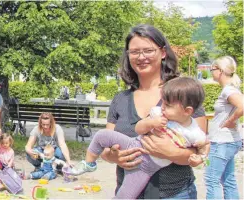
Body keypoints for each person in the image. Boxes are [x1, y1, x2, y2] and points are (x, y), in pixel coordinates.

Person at [79, 24, 207, 199]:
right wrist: (115, 157)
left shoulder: (183, 94)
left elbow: (200, 151)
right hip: (129, 191)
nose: (141, 57)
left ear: (162, 53)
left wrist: (171, 153)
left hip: (175, 194)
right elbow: (106, 149)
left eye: (148, 50)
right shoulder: (120, 99)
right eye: (134, 52)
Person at [71, 77, 209, 199]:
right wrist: (150, 123)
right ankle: (89, 163)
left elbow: (204, 147)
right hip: (133, 145)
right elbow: (138, 128)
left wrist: (198, 158)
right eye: (163, 103)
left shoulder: (193, 132)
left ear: (187, 111)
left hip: (147, 167)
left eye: (168, 105)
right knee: (102, 135)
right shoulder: (159, 114)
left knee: (125, 196)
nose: (163, 107)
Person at [205, 56, 243, 199]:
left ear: (220, 71)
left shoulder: (228, 90)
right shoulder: (230, 89)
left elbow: (242, 105)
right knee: (228, 180)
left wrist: (231, 120)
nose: (211, 72)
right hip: (228, 141)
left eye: (212, 69)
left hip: (222, 142)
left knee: (211, 179)